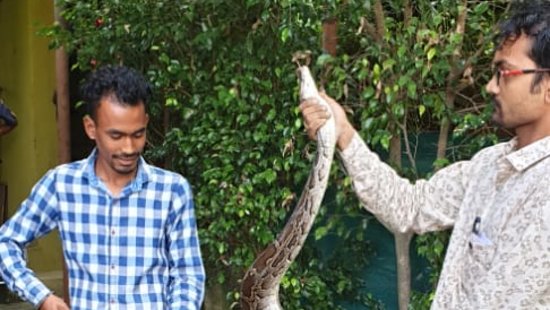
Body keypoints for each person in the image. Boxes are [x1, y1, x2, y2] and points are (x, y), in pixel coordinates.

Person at [300, 2, 550, 309]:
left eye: (504, 73)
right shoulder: (490, 165)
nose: (490, 86)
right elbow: (410, 207)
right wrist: (344, 133)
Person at [0, 65, 205, 309]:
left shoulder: (172, 191)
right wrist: (42, 296)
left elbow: (187, 275)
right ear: (91, 128)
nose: (129, 148)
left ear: (146, 123)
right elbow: (6, 243)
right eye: (116, 136)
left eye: (138, 134)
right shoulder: (62, 184)